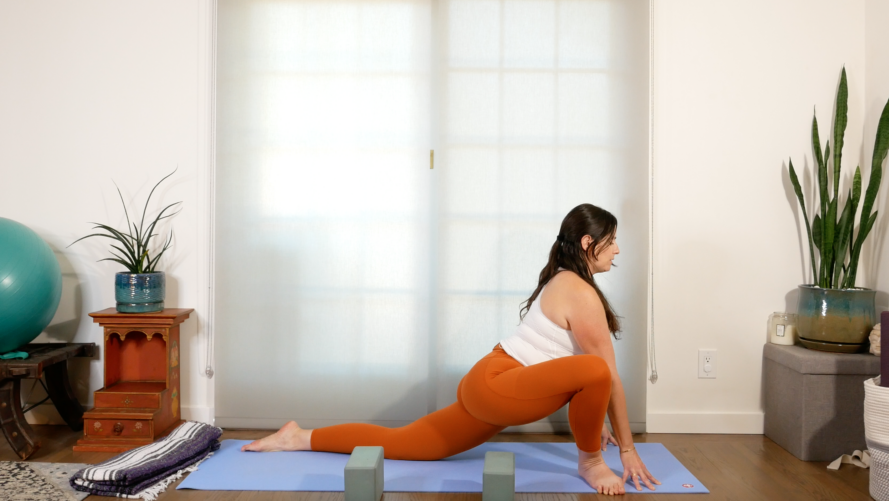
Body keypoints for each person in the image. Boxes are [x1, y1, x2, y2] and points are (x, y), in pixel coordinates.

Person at [243, 203, 660, 494]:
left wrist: (593, 418)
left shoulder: (566, 280)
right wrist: (625, 449)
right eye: (613, 240)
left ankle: (297, 438)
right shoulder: (580, 292)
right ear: (590, 243)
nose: (618, 249)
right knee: (599, 372)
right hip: (500, 385)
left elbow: (568, 373)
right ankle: (589, 463)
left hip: (493, 384)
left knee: (406, 443)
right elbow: (604, 374)